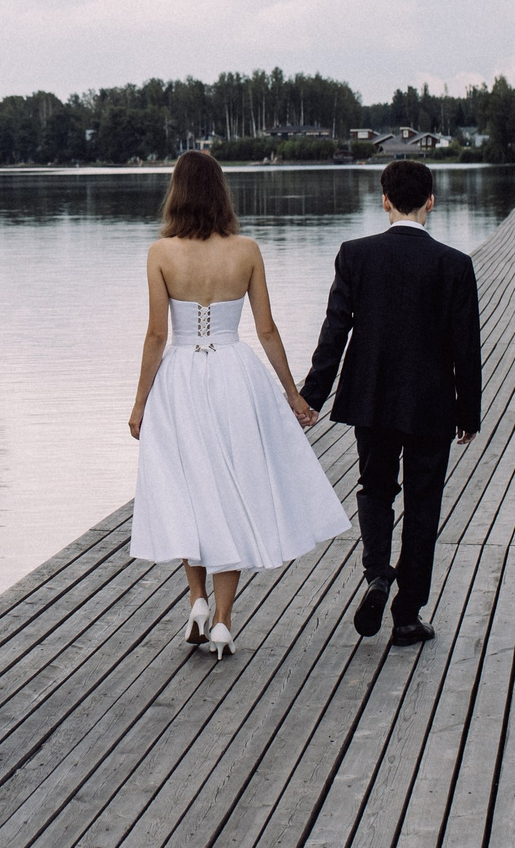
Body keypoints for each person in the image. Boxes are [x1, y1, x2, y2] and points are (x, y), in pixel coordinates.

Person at [128, 152, 351, 659]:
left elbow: (157, 335)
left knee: (191, 488)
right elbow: (266, 329)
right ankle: (224, 622)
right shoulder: (247, 250)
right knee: (231, 491)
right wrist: (293, 394)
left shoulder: (160, 253)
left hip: (181, 379)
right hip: (235, 375)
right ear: (221, 193)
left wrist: (140, 403)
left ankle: (197, 599)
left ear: (177, 193)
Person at [298, 159, 483, 647]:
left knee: (375, 488)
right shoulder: (454, 264)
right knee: (424, 504)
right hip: (431, 404)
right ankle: (406, 615)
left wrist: (311, 397)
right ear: (430, 202)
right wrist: (468, 411)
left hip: (372, 398)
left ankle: (378, 573)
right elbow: (466, 346)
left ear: (384, 201)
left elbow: (335, 330)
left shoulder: (355, 255)